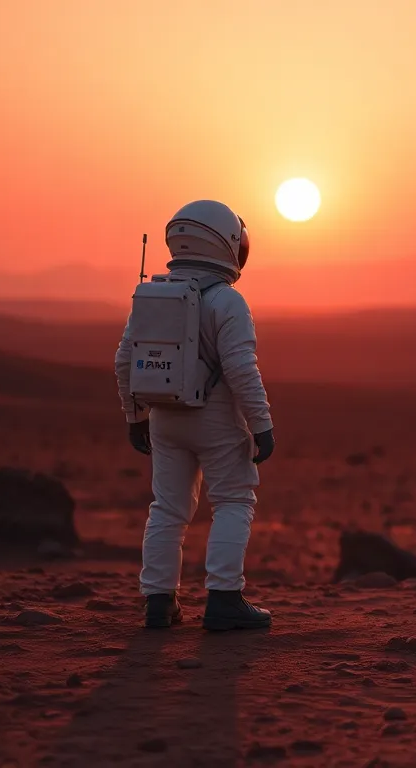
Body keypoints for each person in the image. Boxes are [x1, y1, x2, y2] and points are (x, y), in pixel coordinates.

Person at [113, 200, 276, 630]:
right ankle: (224, 599)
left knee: (167, 508)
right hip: (216, 418)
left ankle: (158, 603)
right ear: (225, 243)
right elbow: (241, 368)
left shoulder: (152, 293)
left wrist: (134, 416)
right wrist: (262, 425)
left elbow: (124, 360)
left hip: (164, 416)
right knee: (233, 500)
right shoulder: (227, 301)